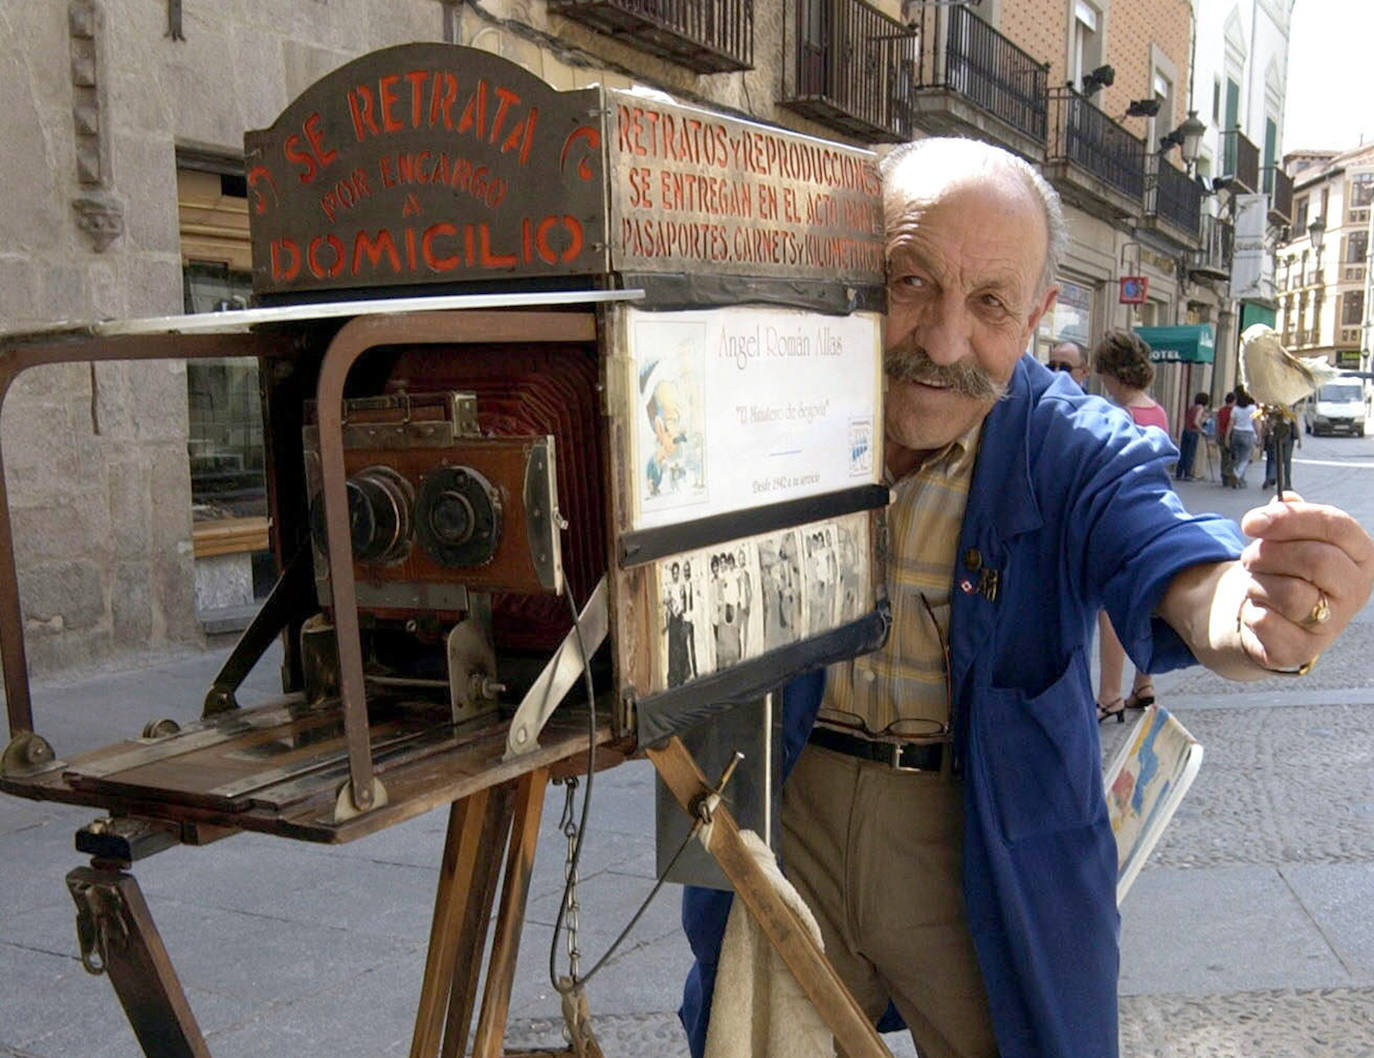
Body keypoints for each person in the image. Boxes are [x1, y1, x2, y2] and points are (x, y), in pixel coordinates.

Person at [679, 137, 1374, 1058]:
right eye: (911, 282)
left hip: (981, 844)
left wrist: (1246, 609)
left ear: (1039, 316)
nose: (944, 339)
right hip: (789, 817)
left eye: (991, 304)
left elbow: (1160, 546)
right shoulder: (779, 407)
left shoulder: (1070, 443)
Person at [1091, 330, 1169, 721]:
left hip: (1119, 522)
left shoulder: (1116, 414)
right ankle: (1143, 684)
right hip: (1153, 518)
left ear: (1113, 373)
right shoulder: (1157, 412)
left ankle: (1109, 697)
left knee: (1111, 611)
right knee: (1146, 605)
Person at [1226, 386, 1258, 488]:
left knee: (1238, 458)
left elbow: (1231, 423)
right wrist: (1260, 435)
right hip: (1248, 433)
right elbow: (1256, 423)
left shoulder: (1235, 409)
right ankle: (1237, 474)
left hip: (1236, 433)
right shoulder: (1253, 408)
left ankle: (1239, 481)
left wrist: (1227, 436)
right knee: (1246, 458)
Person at [1177, 391, 1211, 481]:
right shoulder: (1200, 409)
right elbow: (1196, 421)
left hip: (1186, 430)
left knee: (1183, 452)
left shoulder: (1192, 407)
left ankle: (1179, 473)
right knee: (1190, 454)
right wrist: (1202, 430)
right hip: (1193, 432)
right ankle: (1188, 474)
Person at [1216, 390, 1237, 486]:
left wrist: (1216, 435)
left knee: (1224, 456)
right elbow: (1232, 424)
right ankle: (1229, 474)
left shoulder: (1221, 410)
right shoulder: (1234, 411)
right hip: (1231, 435)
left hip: (1221, 434)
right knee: (1233, 457)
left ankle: (1224, 474)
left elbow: (1217, 423)